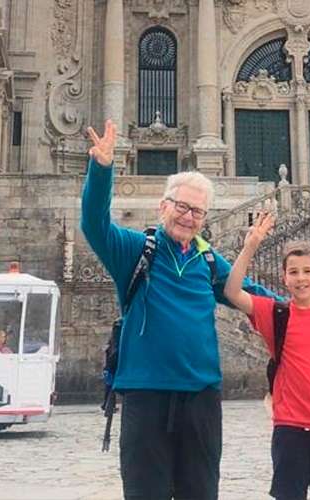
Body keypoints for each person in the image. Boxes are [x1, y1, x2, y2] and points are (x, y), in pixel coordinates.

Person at [82, 119, 278, 499]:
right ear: (163, 207)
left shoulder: (207, 260)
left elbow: (251, 293)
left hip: (201, 397)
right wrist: (102, 169)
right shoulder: (136, 250)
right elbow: (94, 225)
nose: (189, 216)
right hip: (146, 394)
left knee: (201, 492)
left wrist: (305, 310)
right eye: (182, 207)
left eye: (198, 212)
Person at [223, 218, 310, 500]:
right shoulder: (276, 314)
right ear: (284, 277)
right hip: (290, 429)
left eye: (307, 271)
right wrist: (250, 247)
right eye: (293, 272)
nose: (301, 278)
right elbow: (232, 292)